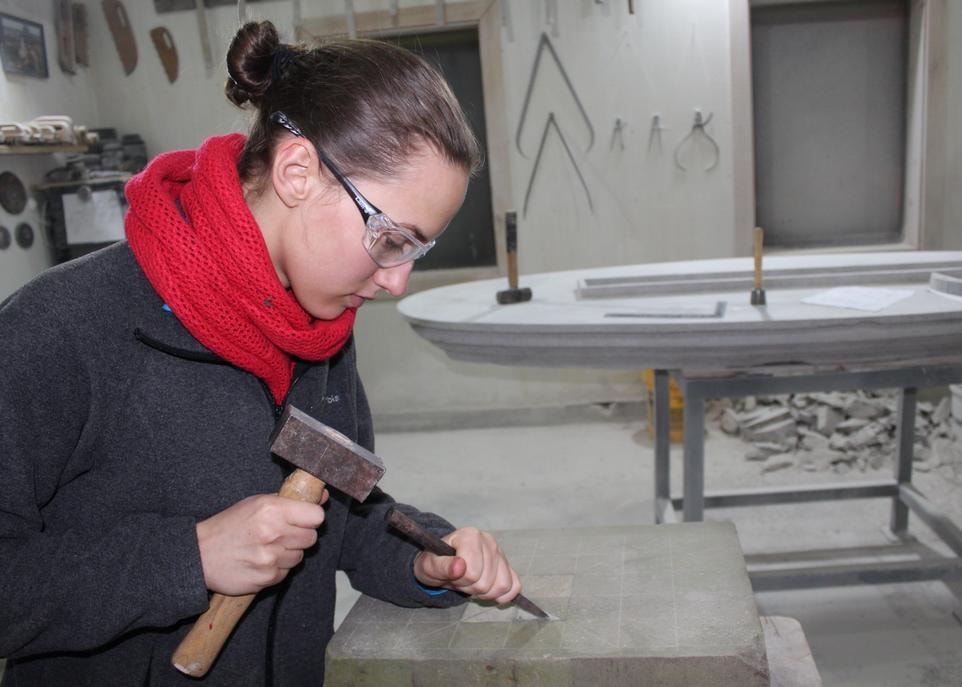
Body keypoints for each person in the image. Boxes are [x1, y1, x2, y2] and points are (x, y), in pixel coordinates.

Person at [0, 20, 523, 686]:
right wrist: (188, 557)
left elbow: (343, 508)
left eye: (415, 252)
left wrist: (422, 556)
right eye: (392, 238)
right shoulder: (63, 329)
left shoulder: (321, 330)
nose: (396, 280)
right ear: (298, 171)